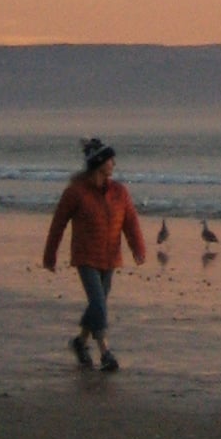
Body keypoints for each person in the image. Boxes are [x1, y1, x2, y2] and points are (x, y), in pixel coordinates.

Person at [43, 137, 147, 370]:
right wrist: (50, 255)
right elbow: (58, 224)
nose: (114, 164)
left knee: (97, 305)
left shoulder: (120, 192)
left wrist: (138, 248)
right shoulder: (75, 192)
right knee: (99, 304)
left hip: (110, 257)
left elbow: (131, 222)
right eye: (111, 159)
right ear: (99, 162)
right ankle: (105, 352)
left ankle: (80, 342)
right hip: (86, 257)